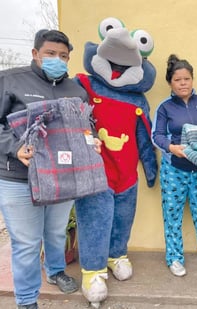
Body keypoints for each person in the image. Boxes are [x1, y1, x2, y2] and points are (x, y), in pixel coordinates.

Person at [0, 30, 88, 309]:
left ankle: (55, 271)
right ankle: (26, 301)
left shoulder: (76, 89)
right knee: (26, 244)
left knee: (56, 232)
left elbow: (86, 126)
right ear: (35, 53)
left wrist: (91, 141)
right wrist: (15, 147)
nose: (57, 60)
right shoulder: (9, 80)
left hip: (62, 178)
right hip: (18, 178)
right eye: (50, 54)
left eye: (63, 56)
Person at [152, 54, 197, 277]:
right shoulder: (165, 108)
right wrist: (171, 148)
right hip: (174, 170)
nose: (183, 83)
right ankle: (174, 258)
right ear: (170, 83)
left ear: (192, 80)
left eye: (187, 78)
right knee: (172, 214)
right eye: (178, 80)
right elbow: (156, 135)